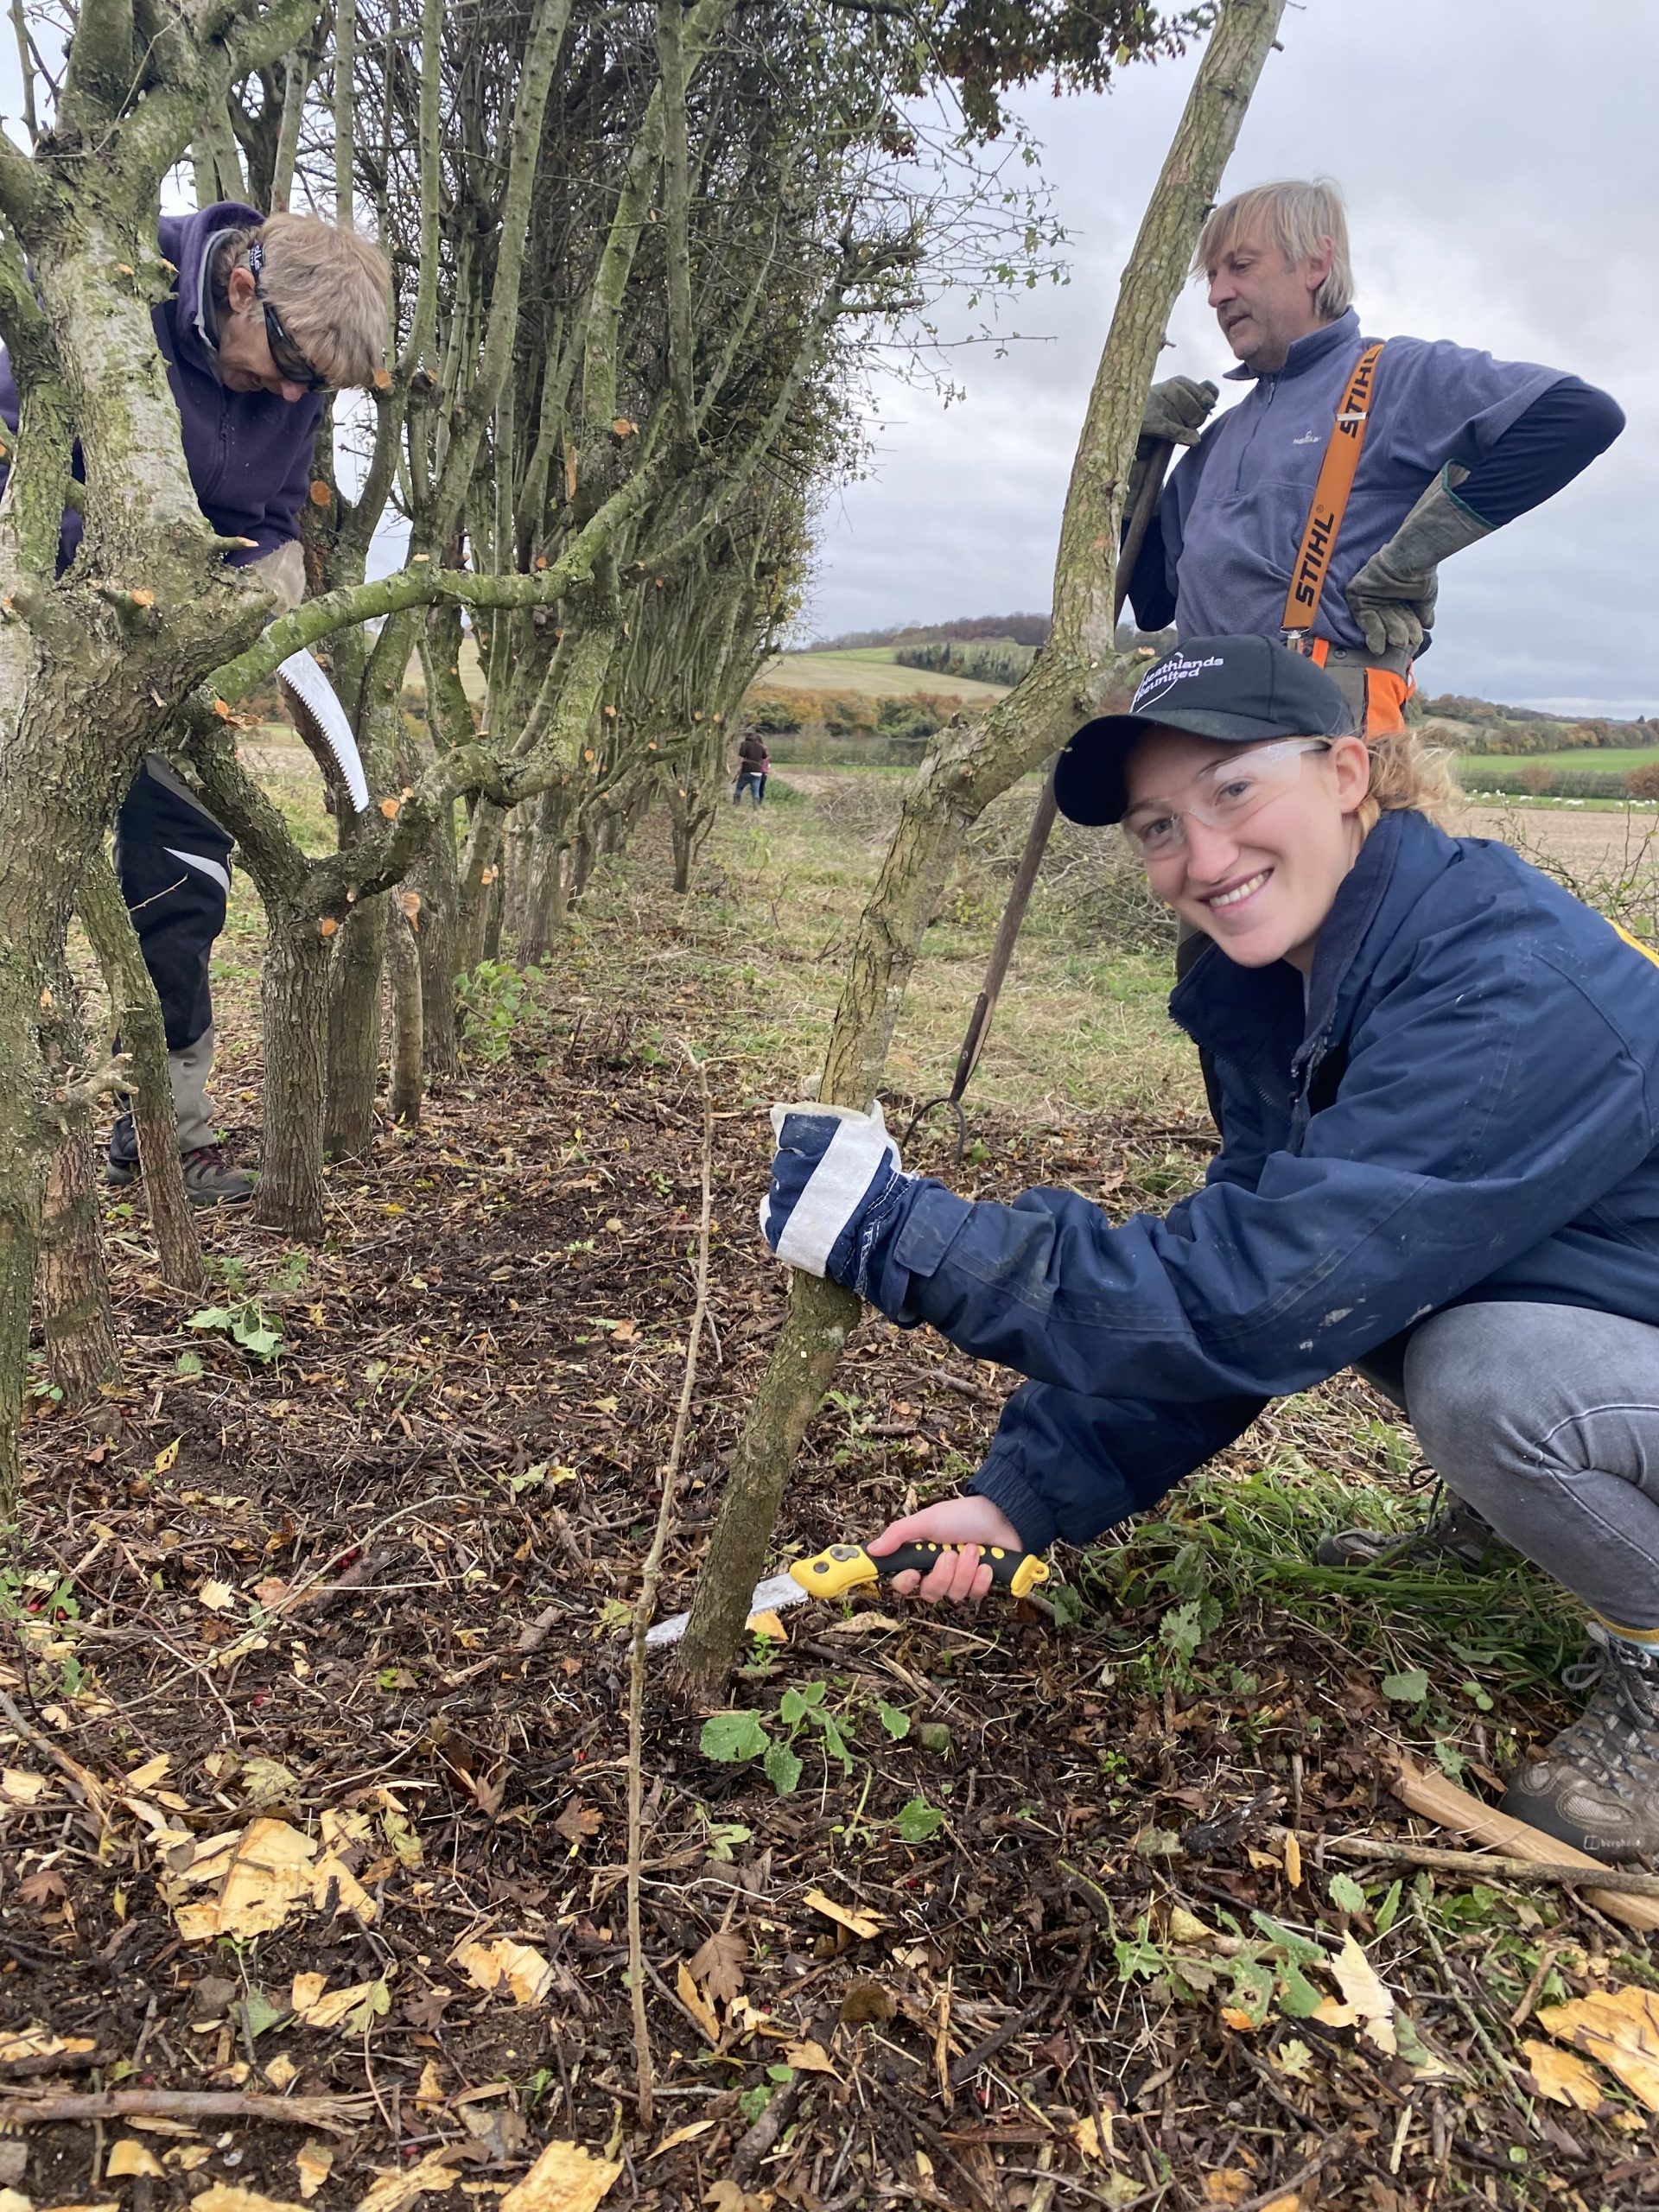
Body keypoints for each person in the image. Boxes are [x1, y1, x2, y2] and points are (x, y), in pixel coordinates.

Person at [759, 635, 1659, 1861]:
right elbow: (1256, 1249)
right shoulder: (1305, 975)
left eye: (1234, 790)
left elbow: (1260, 1301)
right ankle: (1521, 1521)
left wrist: (900, 1236)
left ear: (1348, 770)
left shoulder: (1496, 985)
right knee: (1383, 1286)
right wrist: (1022, 1499)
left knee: (1484, 1376)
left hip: (1613, 1345)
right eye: (1157, 828)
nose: (1202, 856)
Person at [0, 203, 391, 1203]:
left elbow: (263, 520)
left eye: (314, 391)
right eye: (287, 368)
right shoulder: (104, 281)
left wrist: (265, 587)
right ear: (241, 285)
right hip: (39, 610)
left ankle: (168, 1133)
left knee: (183, 877)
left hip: (177, 654)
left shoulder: (294, 372)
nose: (291, 394)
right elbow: (17, 449)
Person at [1126, 180, 1623, 736]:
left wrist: (1408, 560)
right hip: (1199, 724)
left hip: (1322, 732)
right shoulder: (1216, 440)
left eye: (1239, 266)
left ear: (1315, 264)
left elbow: (1579, 416)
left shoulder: (1390, 377)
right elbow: (1150, 602)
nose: (1217, 294)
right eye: (1211, 277)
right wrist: (1136, 456)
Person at [734, 730, 769, 808]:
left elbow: (741, 757)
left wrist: (739, 767)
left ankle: (736, 805)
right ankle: (756, 808)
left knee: (739, 787)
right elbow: (765, 756)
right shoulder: (760, 746)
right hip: (757, 772)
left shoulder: (744, 744)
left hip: (747, 770)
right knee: (756, 791)